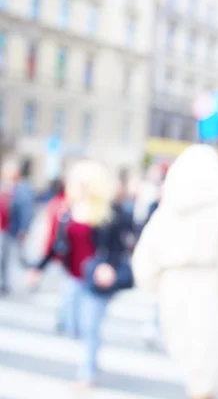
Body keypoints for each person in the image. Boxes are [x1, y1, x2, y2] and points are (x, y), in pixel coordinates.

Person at [132, 145, 218, 399]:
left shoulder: (168, 211)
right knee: (209, 380)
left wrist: (161, 289)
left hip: (175, 296)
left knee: (196, 377)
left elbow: (143, 262)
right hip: (215, 298)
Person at [26, 160, 133, 389]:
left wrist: (109, 267)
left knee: (90, 326)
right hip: (73, 277)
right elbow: (57, 244)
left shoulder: (111, 212)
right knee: (71, 324)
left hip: (96, 280)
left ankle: (88, 372)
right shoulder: (69, 209)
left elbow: (119, 248)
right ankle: (90, 357)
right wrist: (38, 268)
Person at [0, 159, 35, 295]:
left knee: (21, 257)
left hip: (13, 229)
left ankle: (34, 272)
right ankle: (3, 282)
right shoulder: (3, 187)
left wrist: (24, 229)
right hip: (3, 229)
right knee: (3, 257)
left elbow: (26, 211)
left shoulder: (22, 189)